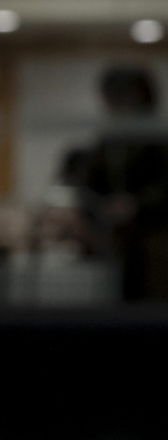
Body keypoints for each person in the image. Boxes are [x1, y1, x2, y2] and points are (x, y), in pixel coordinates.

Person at [68, 65, 168, 299]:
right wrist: (96, 210)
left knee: (153, 296)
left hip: (155, 236)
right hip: (117, 240)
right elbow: (89, 184)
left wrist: (136, 204)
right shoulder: (110, 140)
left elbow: (164, 186)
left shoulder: (156, 137)